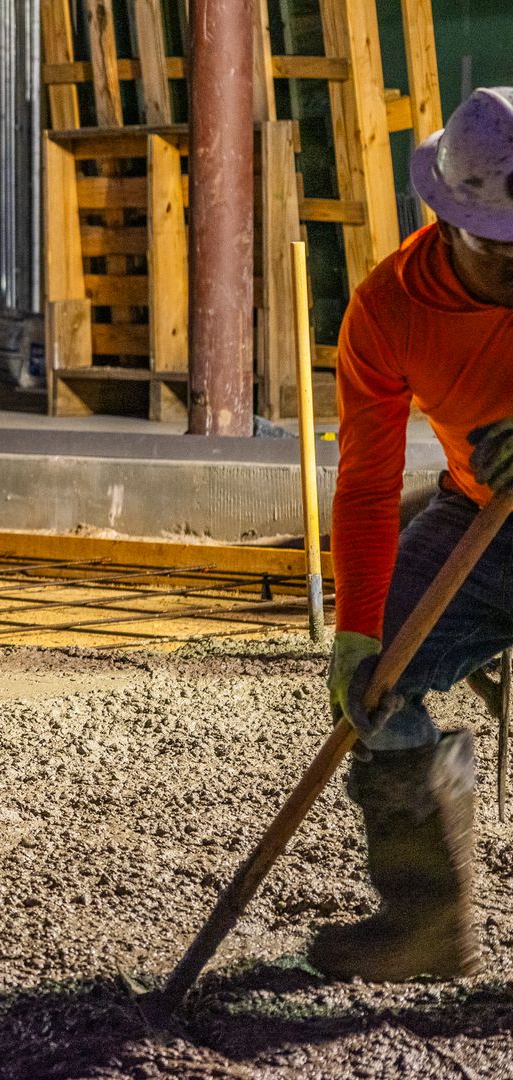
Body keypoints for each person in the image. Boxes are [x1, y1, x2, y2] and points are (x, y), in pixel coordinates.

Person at [319, 86, 513, 981]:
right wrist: (356, 632)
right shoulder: (390, 309)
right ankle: (428, 923)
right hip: (486, 516)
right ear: (450, 220)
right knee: (380, 684)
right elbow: (364, 483)